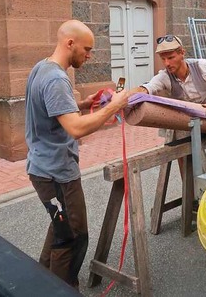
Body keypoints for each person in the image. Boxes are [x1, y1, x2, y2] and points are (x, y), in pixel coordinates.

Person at [25, 19, 129, 289]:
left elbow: (53, 111)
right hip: (58, 173)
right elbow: (75, 128)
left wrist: (82, 104)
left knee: (60, 226)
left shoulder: (41, 67)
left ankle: (40, 281)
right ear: (70, 43)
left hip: (41, 168)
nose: (89, 55)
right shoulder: (57, 78)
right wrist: (113, 106)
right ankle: (64, 288)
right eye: (87, 49)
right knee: (73, 235)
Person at [133, 34, 206, 163]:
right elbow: (146, 88)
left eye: (171, 57)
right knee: (183, 157)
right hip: (188, 121)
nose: (167, 63)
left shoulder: (202, 66)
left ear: (182, 53)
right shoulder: (164, 77)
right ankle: (189, 182)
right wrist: (124, 97)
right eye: (163, 59)